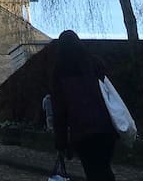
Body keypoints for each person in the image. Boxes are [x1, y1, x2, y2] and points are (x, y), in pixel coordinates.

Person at [51, 29, 118, 181]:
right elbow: (109, 92)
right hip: (105, 128)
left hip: (82, 131)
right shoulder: (95, 63)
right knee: (104, 169)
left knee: (93, 171)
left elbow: (59, 110)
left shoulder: (60, 70)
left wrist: (61, 143)